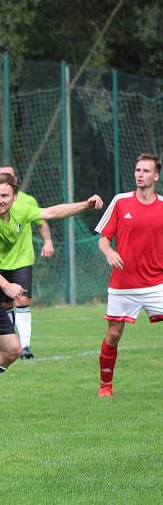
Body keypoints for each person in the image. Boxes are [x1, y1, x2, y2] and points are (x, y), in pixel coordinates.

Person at [0, 173, 102, 421]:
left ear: (14, 197)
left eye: (4, 196)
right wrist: (6, 285)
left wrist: (85, 205)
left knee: (12, 349)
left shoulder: (21, 210)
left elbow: (51, 213)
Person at [94, 153, 163, 398]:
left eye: (146, 171)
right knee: (113, 333)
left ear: (156, 176)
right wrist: (109, 252)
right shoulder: (121, 202)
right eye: (138, 170)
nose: (140, 174)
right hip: (124, 283)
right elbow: (103, 239)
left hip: (157, 283)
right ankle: (105, 386)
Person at [0, 164, 55, 359]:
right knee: (5, 305)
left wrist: (48, 241)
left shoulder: (27, 201)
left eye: (8, 176)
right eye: (1, 176)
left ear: (15, 181)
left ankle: (25, 346)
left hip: (22, 258)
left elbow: (42, 221)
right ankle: (12, 344)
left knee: (22, 299)